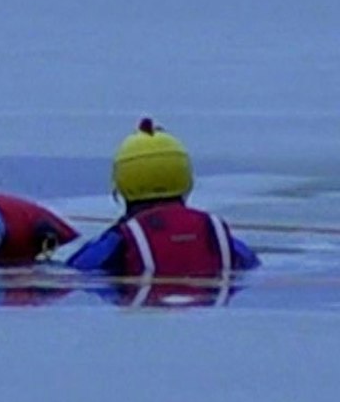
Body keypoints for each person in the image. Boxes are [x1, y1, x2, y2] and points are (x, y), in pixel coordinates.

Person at [68, 118, 259, 282]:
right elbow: (252, 264)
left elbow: (78, 269)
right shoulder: (215, 233)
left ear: (121, 183)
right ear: (186, 178)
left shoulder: (120, 240)